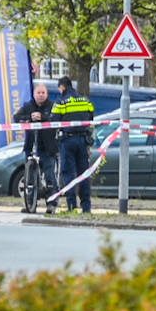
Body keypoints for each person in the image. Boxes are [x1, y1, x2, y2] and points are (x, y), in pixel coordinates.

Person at [51, 76, 96, 215]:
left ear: (62, 87)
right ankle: (86, 206)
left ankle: (71, 205)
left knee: (68, 173)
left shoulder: (61, 102)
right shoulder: (85, 100)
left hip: (68, 141)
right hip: (83, 140)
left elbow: (54, 120)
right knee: (84, 174)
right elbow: (91, 116)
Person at [14, 82, 60, 210]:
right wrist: (29, 117)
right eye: (38, 93)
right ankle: (30, 203)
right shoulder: (28, 106)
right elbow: (16, 117)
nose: (40, 95)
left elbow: (56, 119)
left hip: (47, 147)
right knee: (29, 177)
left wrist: (43, 117)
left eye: (43, 93)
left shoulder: (52, 106)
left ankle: (51, 203)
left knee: (49, 175)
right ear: (34, 94)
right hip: (31, 145)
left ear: (46, 94)